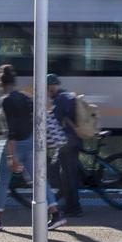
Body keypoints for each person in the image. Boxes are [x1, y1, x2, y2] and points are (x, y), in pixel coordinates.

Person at [0, 65, 66, 231]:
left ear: (0, 82)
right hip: (30, 141)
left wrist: (11, 156)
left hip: (12, 145)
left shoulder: (5, 101)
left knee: (1, 181)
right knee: (39, 181)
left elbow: (11, 131)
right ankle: (56, 214)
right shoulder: (25, 97)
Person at [47, 73, 83, 217]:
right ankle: (63, 202)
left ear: (51, 86)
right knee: (66, 173)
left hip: (67, 142)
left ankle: (74, 208)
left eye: (48, 86)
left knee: (68, 176)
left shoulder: (60, 99)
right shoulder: (66, 96)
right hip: (71, 140)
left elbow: (55, 120)